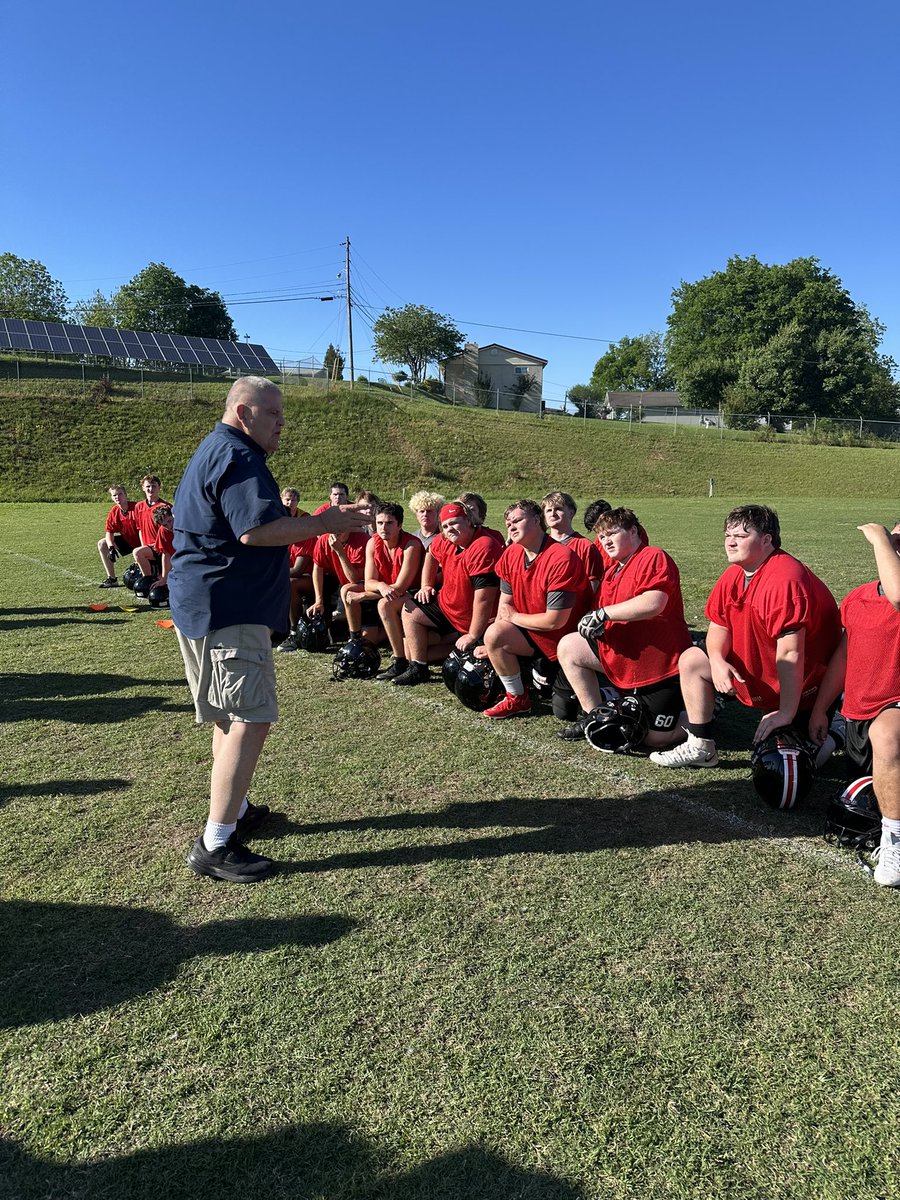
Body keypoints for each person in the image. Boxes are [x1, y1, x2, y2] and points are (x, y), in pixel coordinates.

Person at [169, 376, 370, 883]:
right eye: (275, 414)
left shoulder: (215, 448)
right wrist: (326, 521)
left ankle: (234, 812)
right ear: (244, 413)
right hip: (228, 609)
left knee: (228, 714)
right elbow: (255, 530)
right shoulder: (238, 456)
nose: (283, 424)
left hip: (204, 603)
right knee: (250, 717)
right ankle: (217, 841)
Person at [649, 504, 841, 769]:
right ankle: (700, 745)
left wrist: (786, 712)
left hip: (804, 687)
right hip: (761, 674)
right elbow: (719, 624)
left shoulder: (785, 579)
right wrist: (716, 660)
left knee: (792, 767)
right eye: (728, 535)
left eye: (740, 536)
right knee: (693, 659)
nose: (730, 541)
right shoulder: (735, 574)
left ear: (766, 540)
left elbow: (790, 653)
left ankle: (837, 729)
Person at [810, 522, 900, 886]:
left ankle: (895, 844)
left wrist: (880, 537)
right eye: (896, 537)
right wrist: (820, 708)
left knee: (886, 732)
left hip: (891, 716)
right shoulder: (858, 597)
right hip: (857, 717)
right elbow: (844, 658)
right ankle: (836, 732)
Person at [556, 507, 690, 748]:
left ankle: (705, 709)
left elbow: (654, 602)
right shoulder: (611, 573)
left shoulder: (652, 556)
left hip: (661, 664)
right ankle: (593, 716)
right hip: (626, 656)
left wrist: (603, 614)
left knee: (653, 738)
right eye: (602, 536)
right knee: (569, 646)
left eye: (612, 533)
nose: (606, 540)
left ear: (634, 532)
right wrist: (596, 626)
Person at [476, 499, 591, 719]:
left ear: (537, 520)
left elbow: (554, 621)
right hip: (532, 630)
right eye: (508, 523)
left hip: (565, 640)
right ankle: (517, 698)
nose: (511, 526)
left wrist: (513, 616)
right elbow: (505, 605)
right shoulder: (510, 554)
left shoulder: (561, 557)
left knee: (564, 711)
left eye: (517, 520)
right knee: (494, 634)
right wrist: (492, 645)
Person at [391, 501, 502, 685]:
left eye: (455, 523)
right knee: (410, 610)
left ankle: (463, 643)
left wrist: (473, 634)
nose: (450, 529)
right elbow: (432, 554)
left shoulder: (484, 545)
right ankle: (418, 668)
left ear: (468, 521)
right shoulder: (444, 540)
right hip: (448, 606)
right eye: (445, 525)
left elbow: (484, 599)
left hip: (478, 618)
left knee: (474, 666)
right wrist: (426, 584)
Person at [340, 501, 423, 647]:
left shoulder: (411, 545)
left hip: (412, 593)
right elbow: (369, 582)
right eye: (380, 523)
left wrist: (364, 595)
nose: (383, 528)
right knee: (346, 589)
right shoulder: (373, 542)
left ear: (400, 525)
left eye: (389, 523)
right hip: (384, 590)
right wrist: (381, 585)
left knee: (385, 604)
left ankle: (399, 658)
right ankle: (355, 638)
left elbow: (400, 588)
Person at [542, 491, 604, 593]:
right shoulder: (540, 545)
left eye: (558, 509)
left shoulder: (586, 547)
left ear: (571, 512)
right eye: (548, 510)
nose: (552, 513)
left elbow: (592, 589)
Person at [98, 483, 140, 587]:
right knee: (103, 544)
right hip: (129, 541)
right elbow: (109, 532)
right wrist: (111, 547)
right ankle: (112, 579)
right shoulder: (114, 511)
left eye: (120, 494)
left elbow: (144, 531)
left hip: (143, 542)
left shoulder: (136, 508)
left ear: (126, 495)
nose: (117, 497)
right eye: (114, 495)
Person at [133, 474, 169, 580]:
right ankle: (150, 578)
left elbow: (169, 531)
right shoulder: (138, 506)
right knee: (139, 552)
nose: (151, 489)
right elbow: (139, 528)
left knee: (137, 553)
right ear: (143, 488)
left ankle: (147, 580)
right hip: (148, 547)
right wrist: (143, 545)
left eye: (154, 486)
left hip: (161, 547)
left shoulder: (165, 507)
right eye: (148, 486)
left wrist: (158, 545)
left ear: (159, 488)